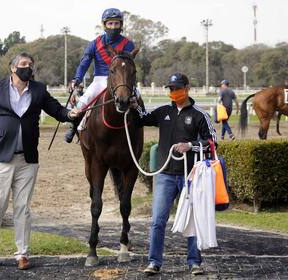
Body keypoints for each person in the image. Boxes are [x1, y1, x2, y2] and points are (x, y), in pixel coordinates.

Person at [0, 52, 78, 269]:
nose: (27, 67)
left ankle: (22, 255)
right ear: (12, 68)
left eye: (30, 64)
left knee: (23, 208)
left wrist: (70, 114)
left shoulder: (39, 89)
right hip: (1, 158)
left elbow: (56, 109)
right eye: (23, 64)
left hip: (28, 160)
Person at [132, 72, 217, 276]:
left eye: (177, 88)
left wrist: (191, 145)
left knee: (193, 220)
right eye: (170, 89)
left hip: (191, 176)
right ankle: (154, 262)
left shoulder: (199, 114)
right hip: (164, 175)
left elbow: (213, 142)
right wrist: (134, 104)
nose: (173, 92)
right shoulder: (162, 112)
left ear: (187, 88)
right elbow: (141, 119)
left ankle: (194, 262)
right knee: (157, 221)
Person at [64, 7, 135, 143]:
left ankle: (140, 122)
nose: (113, 27)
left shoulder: (128, 44)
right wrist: (76, 79)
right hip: (101, 79)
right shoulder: (95, 44)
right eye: (110, 23)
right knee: (84, 101)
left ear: (121, 25)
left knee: (137, 99)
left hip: (122, 80)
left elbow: (129, 67)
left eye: (116, 23)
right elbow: (84, 63)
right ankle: (73, 127)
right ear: (104, 25)